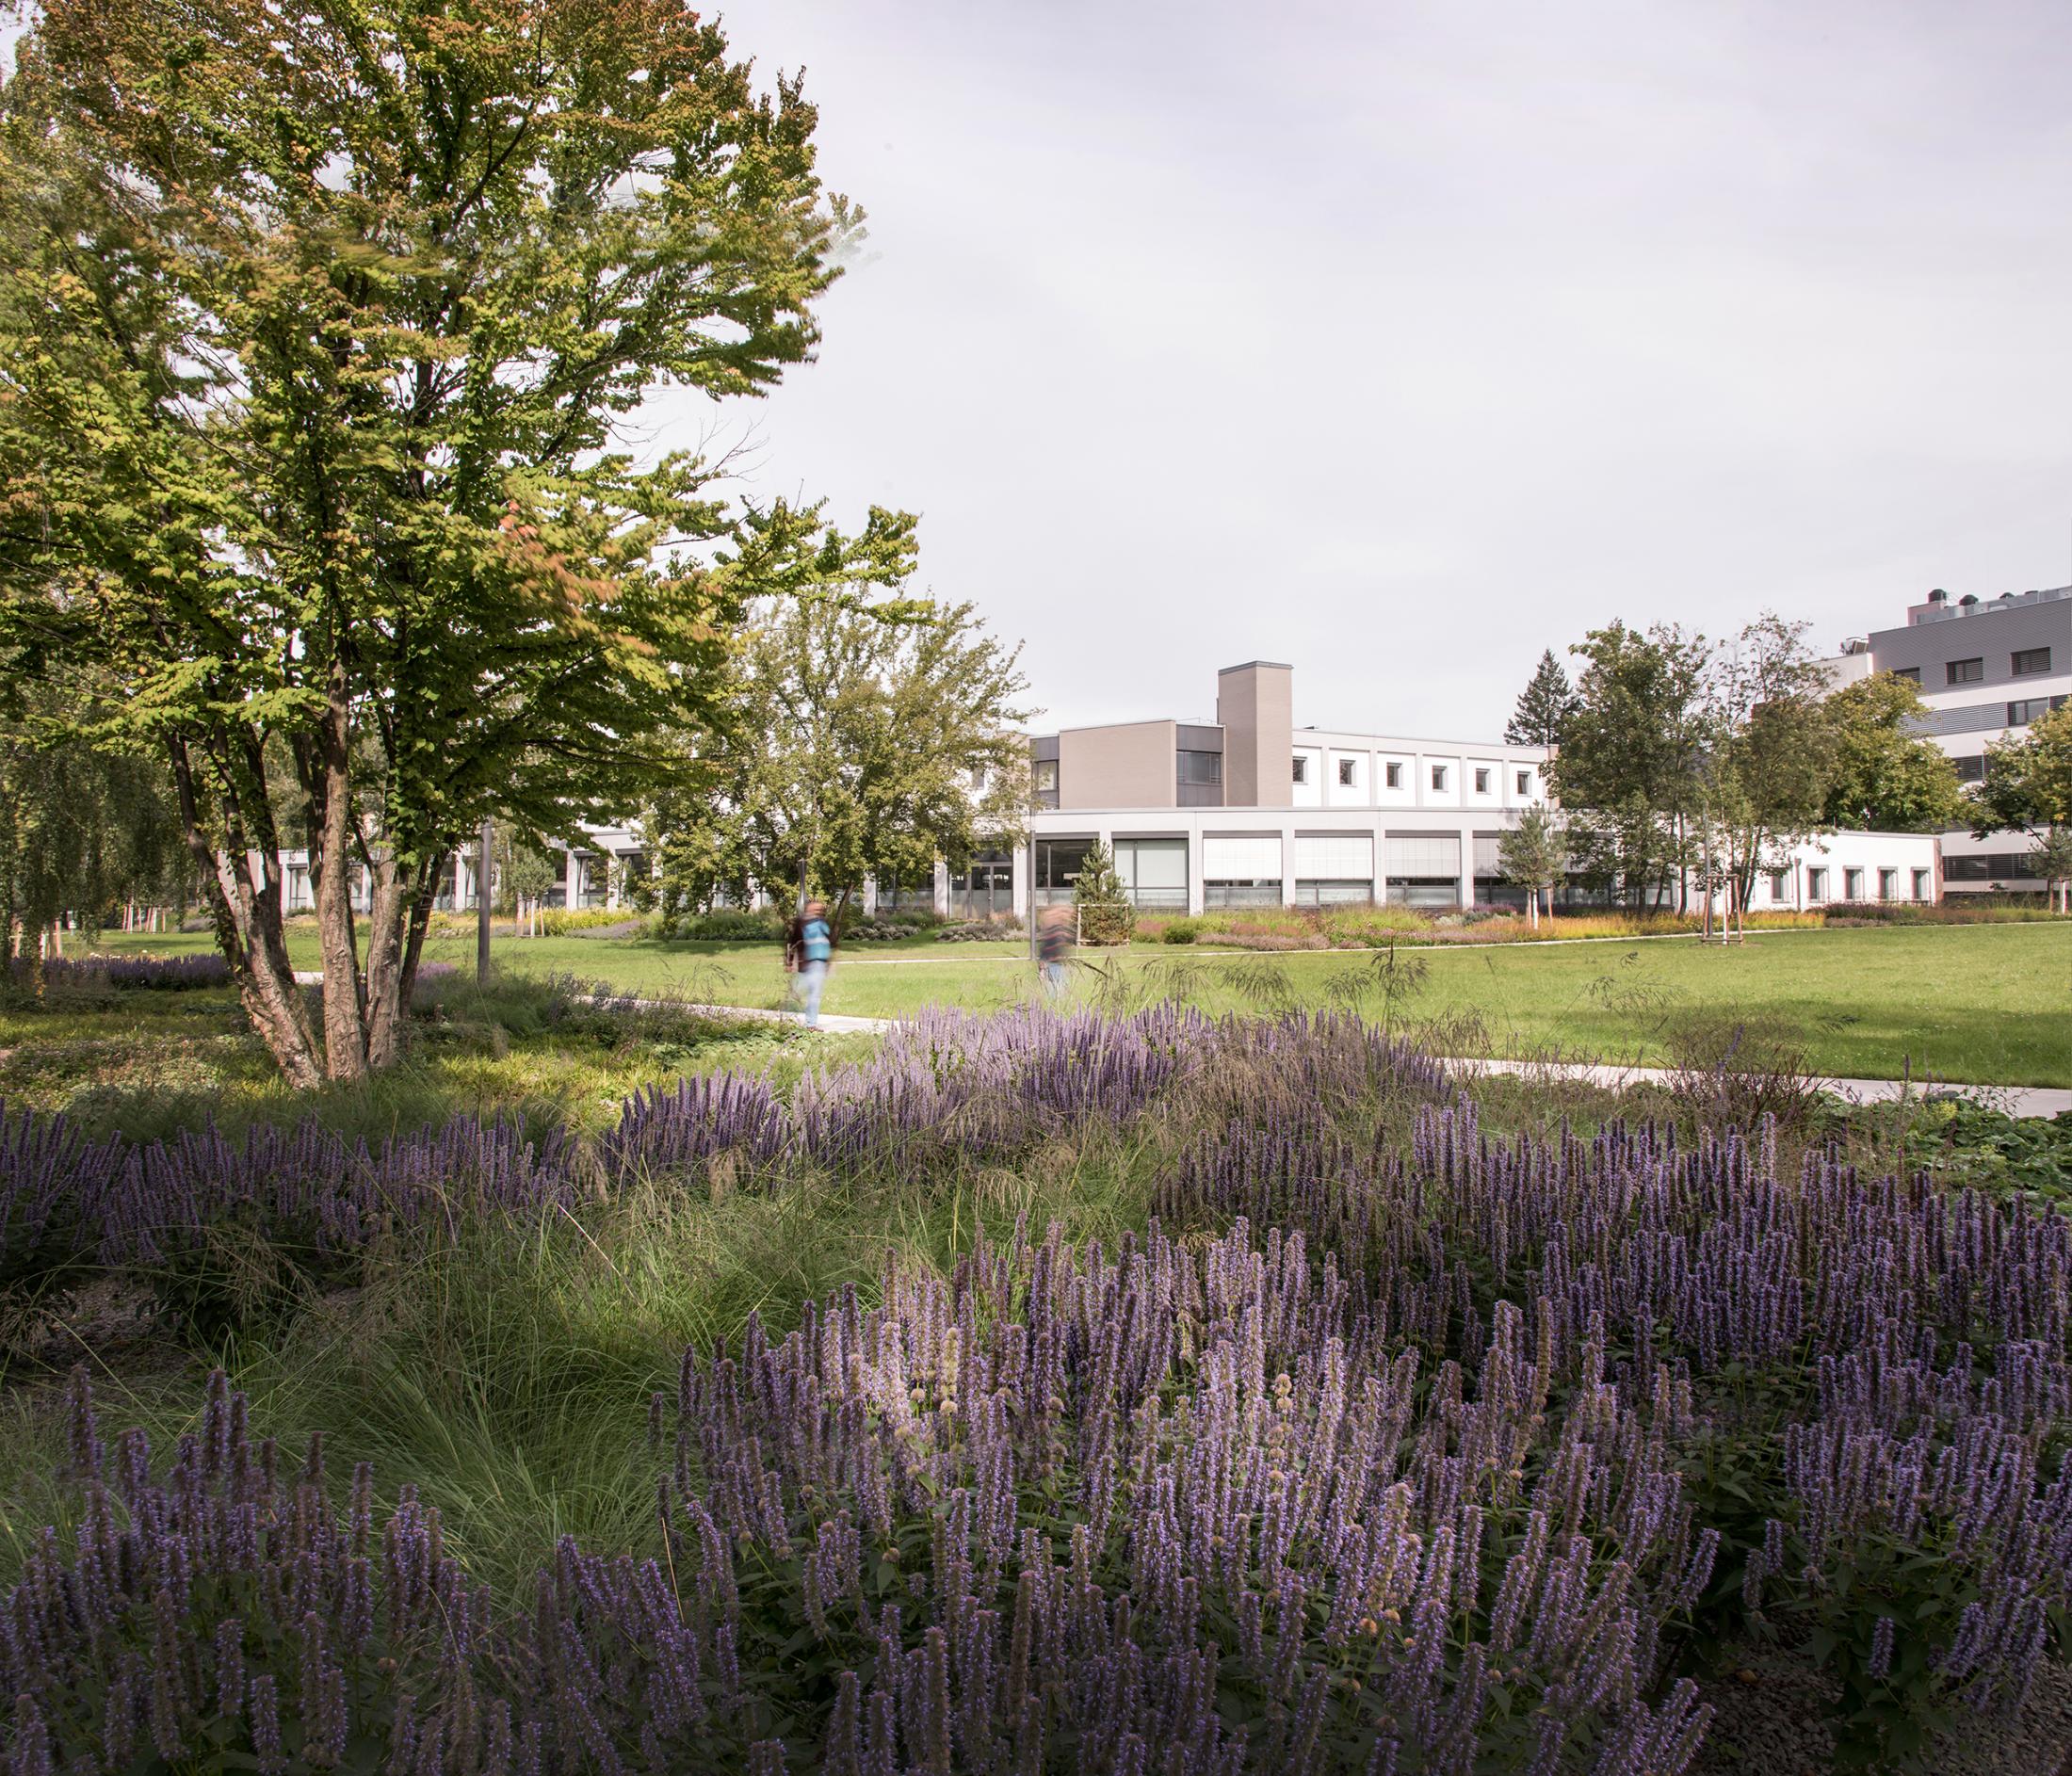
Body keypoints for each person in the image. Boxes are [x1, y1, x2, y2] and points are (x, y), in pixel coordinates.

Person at [796, 897, 834, 1028]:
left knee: (814, 994)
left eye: (820, 909)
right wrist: (789, 961)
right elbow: (794, 941)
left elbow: (829, 940)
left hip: (819, 963)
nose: (819, 911)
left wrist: (828, 962)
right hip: (807, 963)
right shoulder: (802, 923)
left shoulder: (822, 922)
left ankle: (810, 1024)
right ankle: (788, 1017)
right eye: (816, 908)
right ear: (809, 908)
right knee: (797, 993)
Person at [1038, 903, 1073, 998]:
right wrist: (1042, 965)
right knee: (1056, 990)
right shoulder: (1055, 930)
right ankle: (1052, 1009)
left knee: (1058, 989)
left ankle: (1054, 1007)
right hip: (1053, 964)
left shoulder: (1058, 930)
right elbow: (1047, 948)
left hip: (1056, 964)